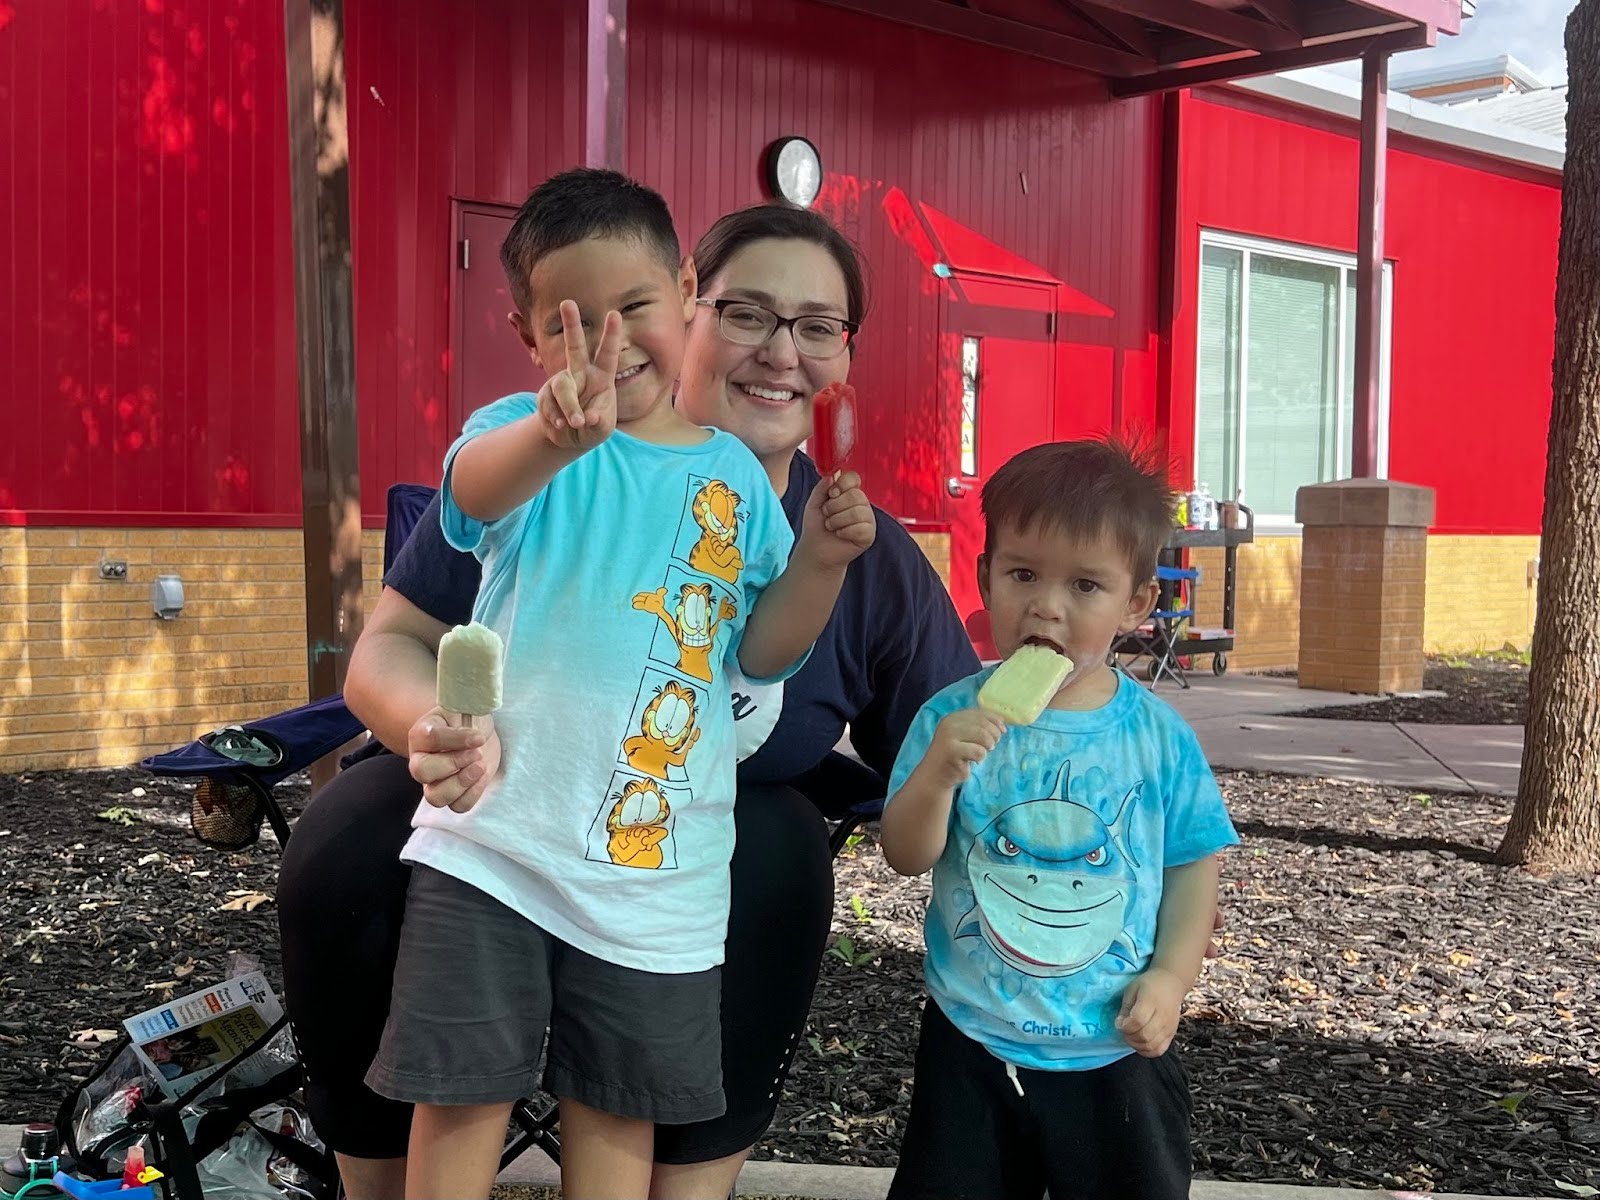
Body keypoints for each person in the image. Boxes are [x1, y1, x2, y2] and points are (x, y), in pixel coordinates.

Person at [276, 199, 981, 1199]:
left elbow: (946, 732)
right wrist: (423, 724)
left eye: (817, 325)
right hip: (504, 807)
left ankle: (687, 1184)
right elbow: (390, 644)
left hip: (670, 866)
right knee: (350, 832)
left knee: (776, 853)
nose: (781, 352)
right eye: (750, 314)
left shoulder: (851, 545)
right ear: (697, 308)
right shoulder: (537, 454)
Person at [879, 440, 1239, 1200]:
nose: (1048, 605)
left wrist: (1171, 980)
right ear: (984, 579)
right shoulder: (949, 717)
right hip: (971, 1038)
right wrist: (940, 773)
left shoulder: (1157, 737)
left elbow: (1191, 869)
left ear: (1135, 605)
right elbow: (906, 855)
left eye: (1085, 584)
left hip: (1112, 1051)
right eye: (1023, 574)